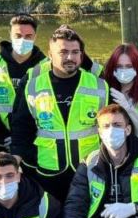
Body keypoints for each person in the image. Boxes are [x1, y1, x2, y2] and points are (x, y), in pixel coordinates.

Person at [11, 26, 110, 202]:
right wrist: (17, 160)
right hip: (48, 170)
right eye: (63, 52)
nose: (70, 57)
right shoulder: (33, 85)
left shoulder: (99, 86)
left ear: (81, 55)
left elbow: (110, 126)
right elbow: (21, 127)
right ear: (50, 54)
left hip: (88, 168)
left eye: (75, 52)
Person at [0, 14, 47, 152]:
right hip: (0, 141)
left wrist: (23, 137)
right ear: (10, 34)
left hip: (34, 140)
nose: (23, 40)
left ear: (35, 37)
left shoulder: (46, 66)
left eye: (28, 36)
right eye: (18, 36)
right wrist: (3, 136)